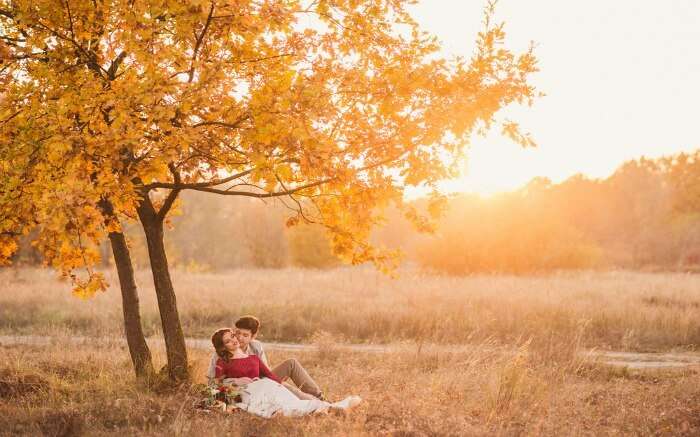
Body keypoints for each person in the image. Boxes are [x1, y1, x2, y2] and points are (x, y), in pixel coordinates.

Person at [209, 327, 361, 418]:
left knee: (288, 398)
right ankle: (322, 408)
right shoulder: (222, 361)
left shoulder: (254, 356)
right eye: (228, 341)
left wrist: (284, 387)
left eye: (233, 336)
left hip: (266, 386)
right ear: (223, 347)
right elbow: (215, 384)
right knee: (283, 406)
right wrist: (237, 381)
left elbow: (269, 375)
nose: (234, 340)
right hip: (249, 393)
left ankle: (325, 407)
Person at [207, 315, 324, 400]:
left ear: (253, 337)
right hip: (242, 390)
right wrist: (236, 382)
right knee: (286, 388)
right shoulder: (221, 354)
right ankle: (311, 403)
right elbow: (212, 383)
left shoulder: (256, 346)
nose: (239, 338)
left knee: (291, 364)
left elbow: (266, 373)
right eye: (237, 333)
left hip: (261, 381)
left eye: (245, 335)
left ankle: (319, 398)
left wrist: (277, 383)